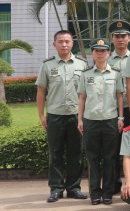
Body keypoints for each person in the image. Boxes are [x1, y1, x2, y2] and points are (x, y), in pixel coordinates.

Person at [36, 30, 89, 203]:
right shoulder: (47, 65)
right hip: (55, 116)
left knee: (76, 154)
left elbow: (86, 92)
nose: (64, 44)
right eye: (60, 41)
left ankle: (74, 188)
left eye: (67, 41)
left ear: (72, 43)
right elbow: (41, 90)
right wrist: (41, 115)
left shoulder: (82, 65)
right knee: (55, 153)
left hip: (76, 116)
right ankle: (56, 189)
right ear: (54, 44)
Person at [77, 38, 124, 205]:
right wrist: (80, 119)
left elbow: (119, 96)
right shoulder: (86, 74)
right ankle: (95, 193)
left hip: (110, 120)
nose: (100, 53)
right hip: (91, 121)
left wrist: (120, 117)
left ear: (108, 53)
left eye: (103, 50)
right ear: (93, 53)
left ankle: (108, 193)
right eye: (97, 50)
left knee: (110, 159)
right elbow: (82, 97)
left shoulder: (116, 73)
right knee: (93, 158)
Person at [108, 20, 130, 194]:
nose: (120, 39)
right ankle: (114, 183)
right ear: (112, 39)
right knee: (113, 148)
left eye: (123, 36)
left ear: (129, 38)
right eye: (117, 36)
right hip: (112, 111)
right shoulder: (105, 59)